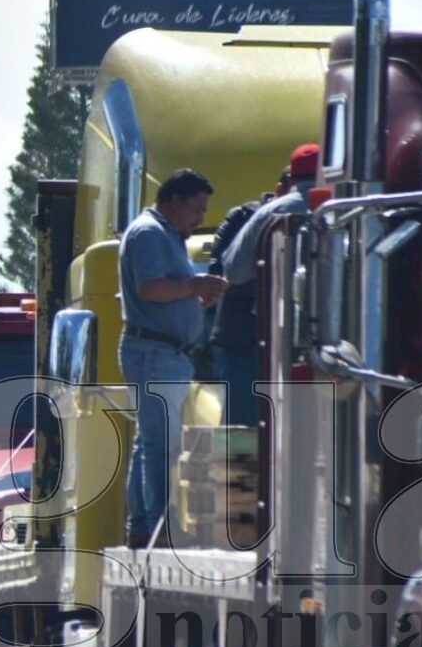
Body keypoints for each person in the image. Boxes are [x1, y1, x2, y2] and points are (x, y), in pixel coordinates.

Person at [118, 168, 229, 548]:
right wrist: (195, 286)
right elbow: (149, 289)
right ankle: (159, 527)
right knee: (161, 445)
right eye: (197, 208)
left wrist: (195, 300)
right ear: (174, 201)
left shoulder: (164, 233)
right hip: (155, 351)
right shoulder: (150, 233)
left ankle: (142, 525)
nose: (201, 217)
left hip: (162, 351)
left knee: (150, 442)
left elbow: (165, 292)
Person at [216, 143, 320, 425]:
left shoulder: (269, 213)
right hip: (333, 344)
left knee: (250, 427)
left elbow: (234, 271)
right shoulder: (346, 207)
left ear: (292, 177)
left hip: (272, 338)